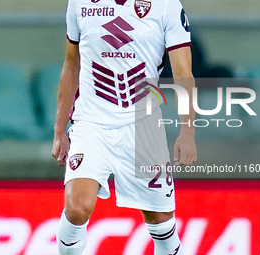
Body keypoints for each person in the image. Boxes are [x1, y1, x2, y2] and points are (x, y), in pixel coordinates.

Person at [51, 0, 197, 254]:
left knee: (161, 224)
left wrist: (188, 131)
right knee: (77, 208)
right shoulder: (80, 3)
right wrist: (59, 131)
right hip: (91, 121)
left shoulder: (167, 5)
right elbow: (71, 64)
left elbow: (183, 71)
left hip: (143, 125)